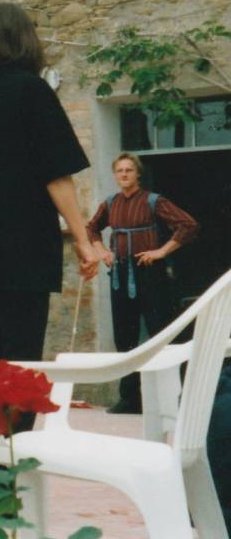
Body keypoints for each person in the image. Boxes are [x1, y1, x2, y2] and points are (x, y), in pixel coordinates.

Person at [0, 2, 98, 516]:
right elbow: (57, 176)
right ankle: (6, 487)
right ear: (26, 40)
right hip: (24, 251)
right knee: (19, 366)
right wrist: (82, 238)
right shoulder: (33, 91)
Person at [87, 152, 199, 414]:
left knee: (161, 333)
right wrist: (102, 252)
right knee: (124, 336)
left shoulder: (153, 201)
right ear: (115, 175)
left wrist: (161, 252)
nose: (124, 174)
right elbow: (91, 228)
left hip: (150, 273)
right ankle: (130, 399)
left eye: (129, 170)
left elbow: (188, 225)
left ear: (138, 173)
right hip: (120, 275)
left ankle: (175, 398)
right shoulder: (110, 203)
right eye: (119, 171)